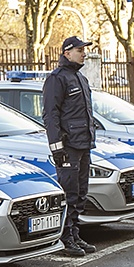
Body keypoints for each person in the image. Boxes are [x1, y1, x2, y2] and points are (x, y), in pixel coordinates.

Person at [43, 36, 98, 255]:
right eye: (79, 50)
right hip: (68, 147)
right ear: (67, 53)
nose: (83, 53)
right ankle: (66, 238)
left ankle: (75, 234)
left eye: (83, 50)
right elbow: (50, 115)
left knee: (81, 192)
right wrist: (57, 148)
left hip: (84, 144)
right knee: (69, 193)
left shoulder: (80, 78)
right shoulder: (57, 79)